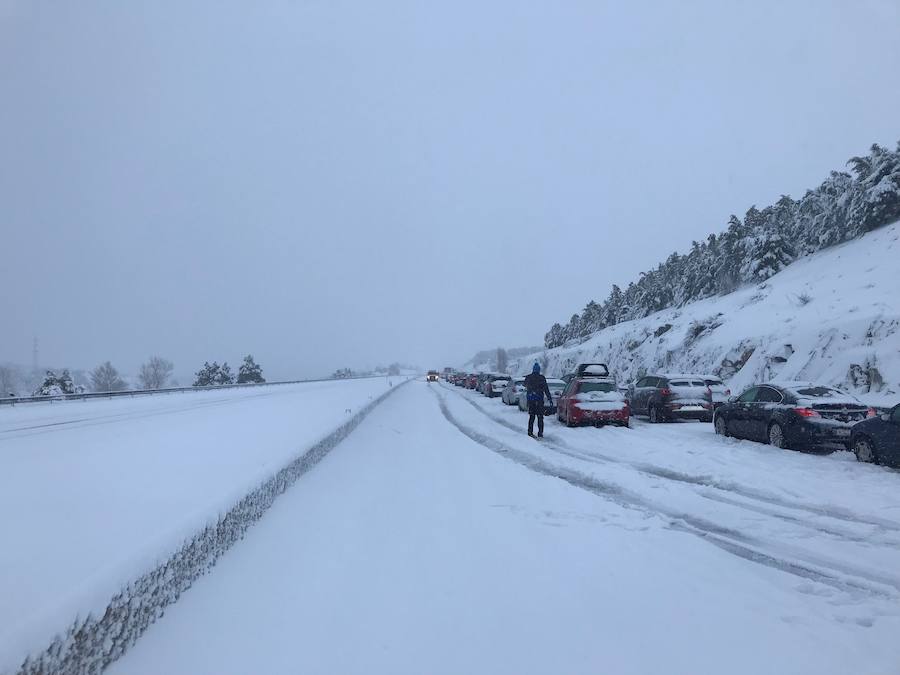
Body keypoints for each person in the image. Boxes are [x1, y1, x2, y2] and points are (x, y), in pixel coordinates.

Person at [524, 362, 553, 438]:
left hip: (531, 400)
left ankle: (530, 432)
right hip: (539, 400)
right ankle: (540, 433)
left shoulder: (528, 377)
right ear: (539, 370)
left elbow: (525, 385)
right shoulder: (542, 378)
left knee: (532, 417)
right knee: (540, 417)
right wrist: (549, 398)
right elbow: (546, 389)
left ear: (533, 369)